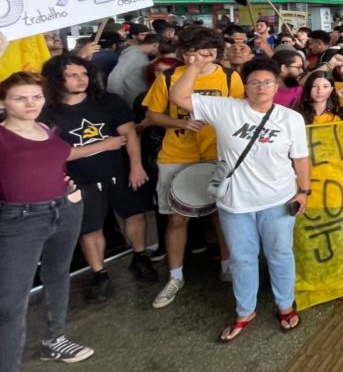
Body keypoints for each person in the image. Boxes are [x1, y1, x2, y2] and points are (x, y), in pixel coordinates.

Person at [168, 55, 310, 342]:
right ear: (245, 85)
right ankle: (245, 311)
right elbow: (179, 96)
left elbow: (301, 158)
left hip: (278, 200)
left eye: (267, 82)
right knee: (242, 259)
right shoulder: (225, 109)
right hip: (235, 203)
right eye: (255, 82)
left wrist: (304, 191)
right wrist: (195, 65)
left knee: (280, 255)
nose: (261, 88)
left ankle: (285, 305)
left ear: (276, 85)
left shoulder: (290, 118)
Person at [0, 70, 128, 368]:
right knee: (11, 301)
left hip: (65, 207)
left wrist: (70, 190)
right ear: (3, 102)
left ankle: (54, 339)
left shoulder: (47, 129)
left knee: (58, 275)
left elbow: (63, 156)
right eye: (20, 98)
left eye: (36, 96)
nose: (30, 103)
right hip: (21, 218)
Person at [39, 55, 158, 302]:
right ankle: (99, 273)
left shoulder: (108, 102)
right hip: (79, 180)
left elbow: (130, 135)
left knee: (134, 216)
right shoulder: (47, 112)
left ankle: (140, 257)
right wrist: (105, 144)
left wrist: (136, 166)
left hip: (121, 171)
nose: (80, 79)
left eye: (83, 74)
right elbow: (56, 153)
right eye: (71, 75)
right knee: (90, 228)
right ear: (56, 79)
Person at [142, 25, 244, 309]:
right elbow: (152, 115)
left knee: (222, 216)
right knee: (176, 218)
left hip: (217, 153)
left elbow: (238, 111)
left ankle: (227, 266)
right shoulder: (167, 78)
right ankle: (175, 276)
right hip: (177, 154)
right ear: (184, 53)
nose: (203, 58)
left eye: (209, 52)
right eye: (196, 52)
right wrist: (180, 123)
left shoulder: (228, 76)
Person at [107, 33, 160, 104]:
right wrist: (117, 100)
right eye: (160, 49)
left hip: (135, 100)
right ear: (155, 45)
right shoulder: (133, 54)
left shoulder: (141, 55)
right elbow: (115, 78)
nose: (159, 52)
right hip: (130, 101)